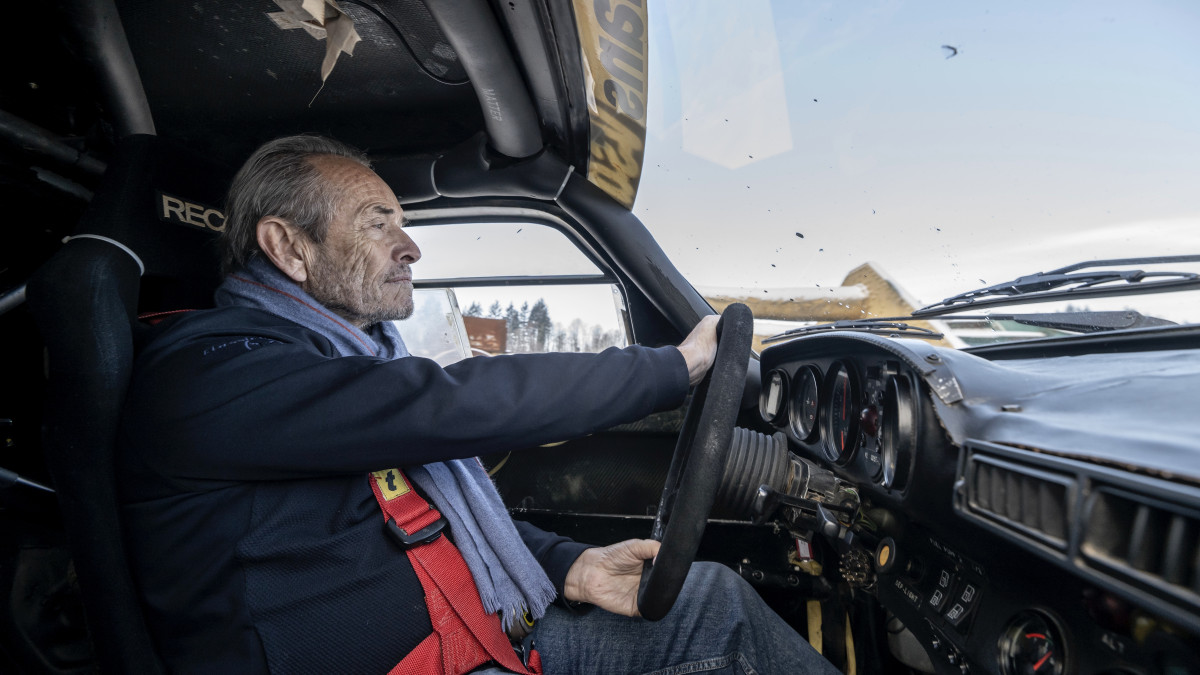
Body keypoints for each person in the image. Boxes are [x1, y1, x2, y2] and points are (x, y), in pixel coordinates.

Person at [118, 134, 837, 674]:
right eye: (377, 222)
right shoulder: (208, 372)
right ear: (288, 246)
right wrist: (674, 367)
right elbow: (448, 404)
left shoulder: (343, 360)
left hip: (470, 639)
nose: (410, 248)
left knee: (711, 603)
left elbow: (429, 517)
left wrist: (569, 565)